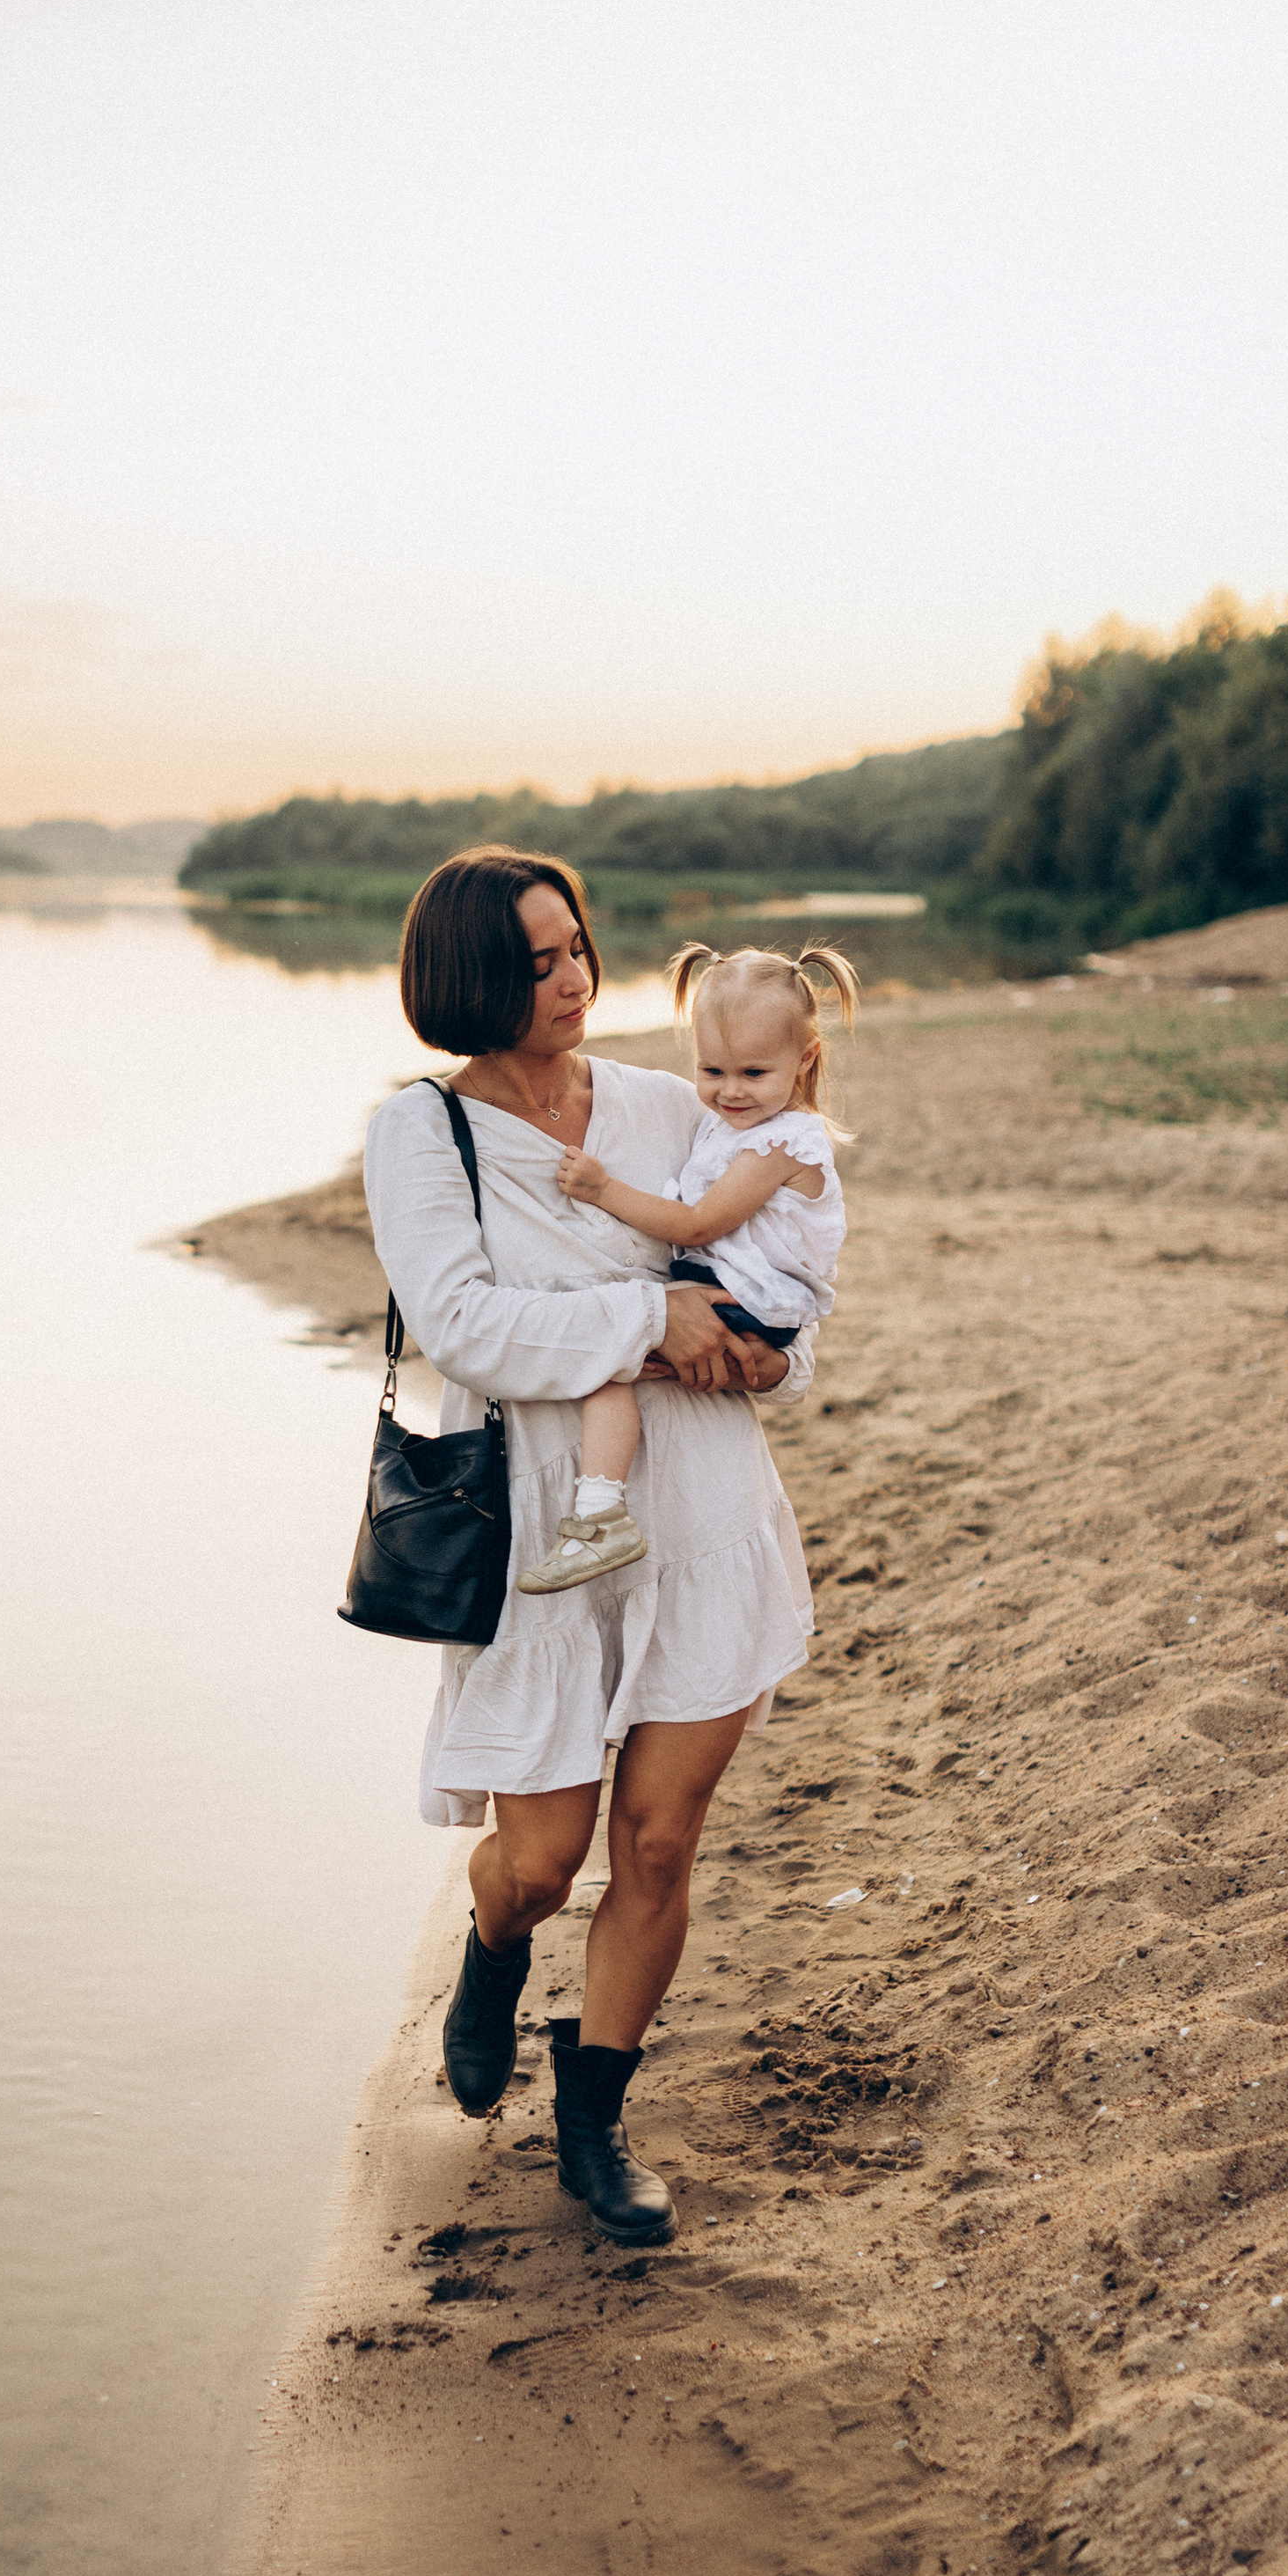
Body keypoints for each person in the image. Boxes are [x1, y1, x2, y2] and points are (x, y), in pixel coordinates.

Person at [359, 849, 821, 2250]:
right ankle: (493, 1957)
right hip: (543, 1525)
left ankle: (597, 2121)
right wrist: (648, 1327)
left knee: (662, 1844)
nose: (572, 979)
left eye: (578, 949)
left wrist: (761, 1363)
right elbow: (465, 1328)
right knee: (545, 1857)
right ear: (468, 981)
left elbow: (779, 1270)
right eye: (539, 961)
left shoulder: (668, 1101)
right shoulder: (419, 1134)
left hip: (702, 1511)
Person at [516, 939, 857, 1593]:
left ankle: (599, 1514)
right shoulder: (730, 1125)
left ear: (804, 1059)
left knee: (610, 1358)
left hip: (751, 1300)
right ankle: (603, 1512)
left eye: (753, 1074)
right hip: (734, 1288)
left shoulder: (784, 1142)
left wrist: (602, 1189)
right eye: (712, 1071)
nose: (729, 1092)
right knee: (616, 1354)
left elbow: (701, 1225)